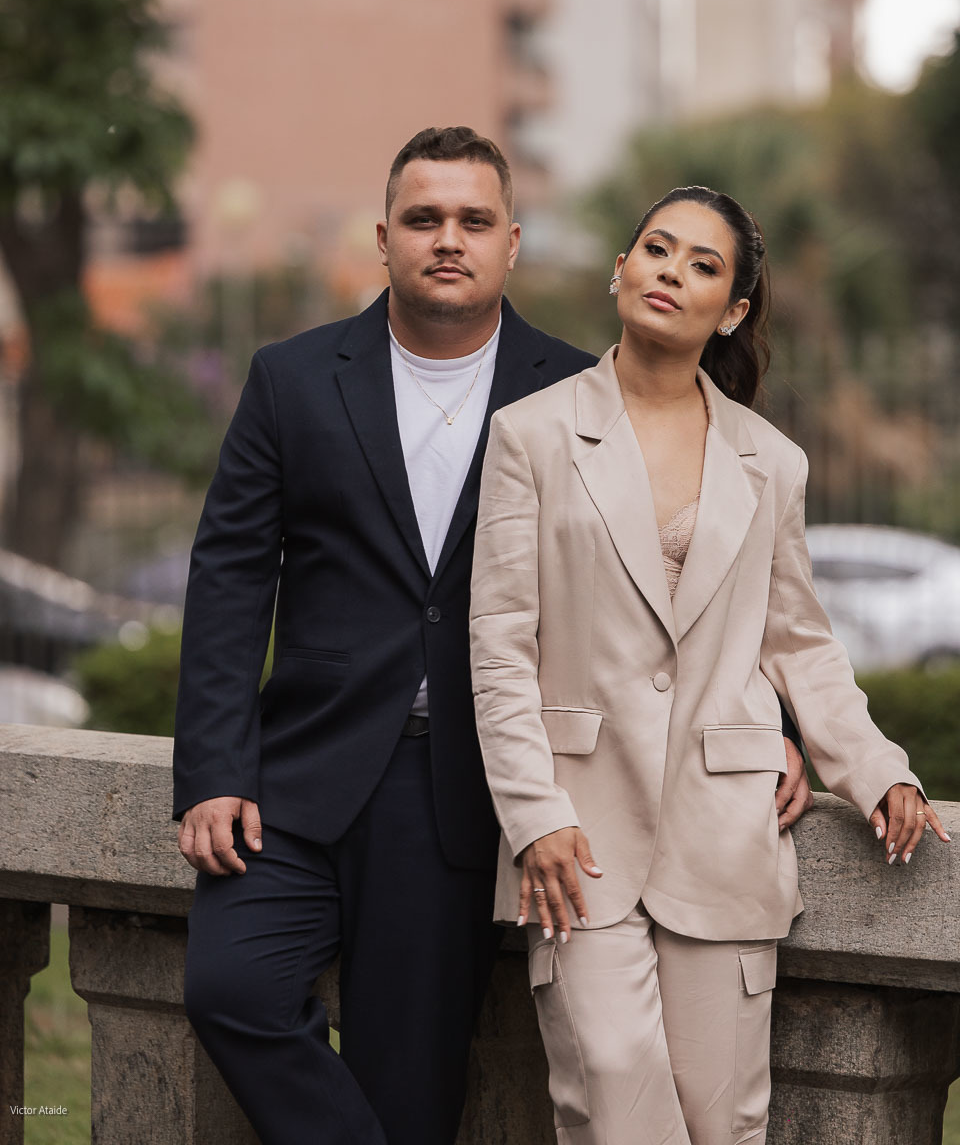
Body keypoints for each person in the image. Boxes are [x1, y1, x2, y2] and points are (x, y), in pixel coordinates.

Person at [173, 134, 810, 1145]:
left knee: (414, 1086)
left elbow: (683, 584)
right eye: (424, 220)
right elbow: (228, 580)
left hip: (466, 796)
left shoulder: (575, 395)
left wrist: (771, 723)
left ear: (512, 244)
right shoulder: (290, 379)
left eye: (473, 222)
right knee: (229, 991)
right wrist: (212, 767)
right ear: (385, 239)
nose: (447, 241)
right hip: (296, 778)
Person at [469, 185, 950, 1145]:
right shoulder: (532, 436)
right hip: (577, 838)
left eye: (702, 265)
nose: (670, 273)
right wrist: (533, 816)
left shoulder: (772, 462)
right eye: (657, 249)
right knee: (610, 1093)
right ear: (621, 267)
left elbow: (799, 643)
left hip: (724, 832)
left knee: (721, 1121)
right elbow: (499, 645)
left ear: (730, 310)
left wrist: (877, 767)